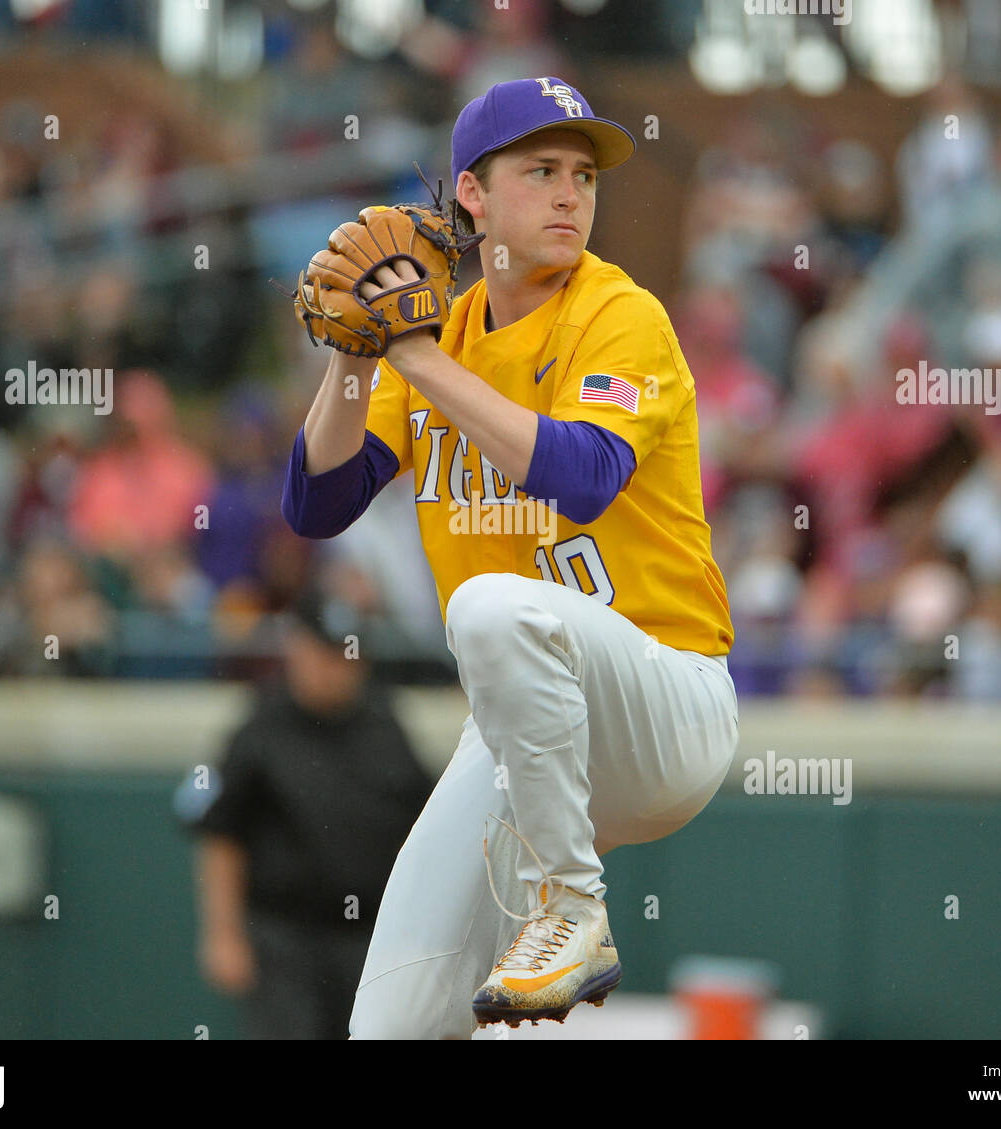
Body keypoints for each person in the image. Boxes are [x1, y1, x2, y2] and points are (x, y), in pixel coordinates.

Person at [280, 77, 740, 1038]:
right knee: (390, 1025)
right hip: (523, 737)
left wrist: (414, 358)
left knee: (490, 604)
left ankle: (572, 908)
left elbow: (583, 473)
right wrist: (355, 354)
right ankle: (552, 909)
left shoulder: (619, 314)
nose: (572, 193)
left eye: (583, 174)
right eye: (542, 171)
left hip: (660, 700)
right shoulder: (441, 335)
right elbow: (318, 501)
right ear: (474, 195)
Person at [178, 588, 432, 1038]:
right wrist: (223, 934)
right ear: (296, 648)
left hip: (370, 942)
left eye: (347, 654)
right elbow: (220, 834)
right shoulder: (261, 727)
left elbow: (424, 827)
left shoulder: (384, 722)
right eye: (325, 653)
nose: (336, 667)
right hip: (285, 940)